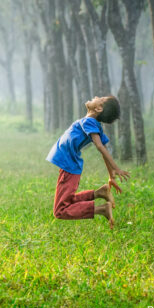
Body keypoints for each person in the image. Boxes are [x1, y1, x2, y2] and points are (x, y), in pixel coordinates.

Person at [46, 96, 130, 228]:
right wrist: (111, 175)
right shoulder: (92, 123)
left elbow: (100, 146)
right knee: (67, 201)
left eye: (100, 98)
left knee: (60, 210)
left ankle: (101, 209)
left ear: (98, 108)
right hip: (69, 166)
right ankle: (99, 193)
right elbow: (104, 147)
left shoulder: (89, 122)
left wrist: (115, 168)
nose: (96, 97)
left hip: (69, 166)